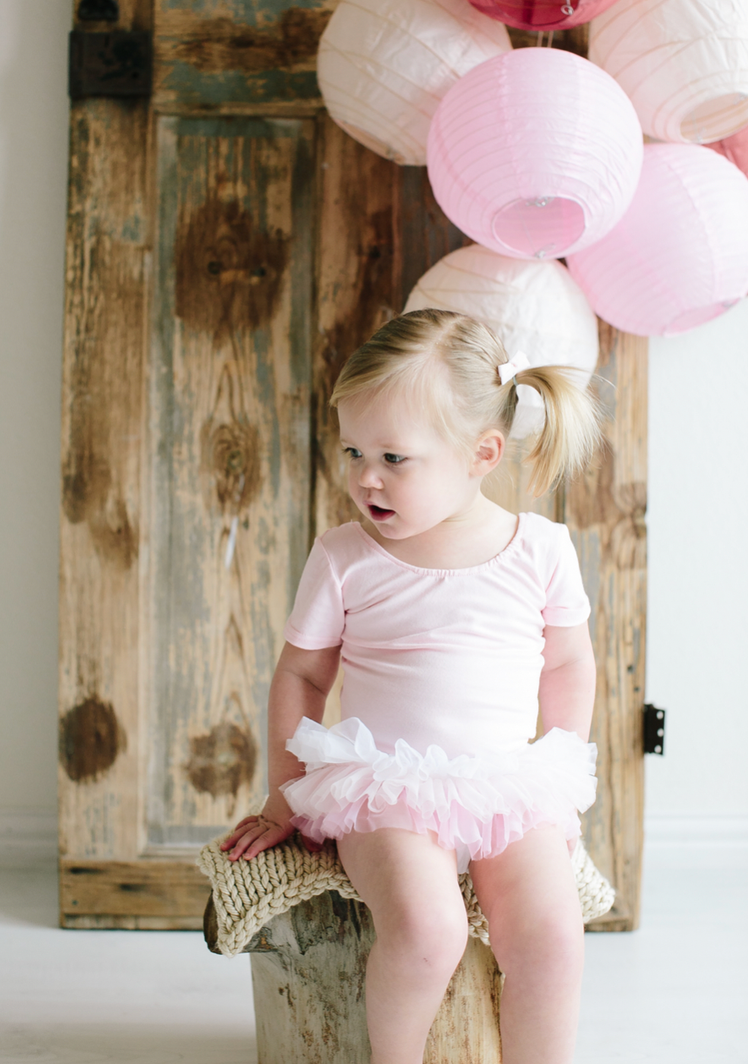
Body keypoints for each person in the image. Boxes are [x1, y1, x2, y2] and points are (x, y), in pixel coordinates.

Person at [221, 308, 602, 1064]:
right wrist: (283, 791)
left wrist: (557, 777)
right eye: (354, 450)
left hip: (502, 781)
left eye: (395, 457)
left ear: (481, 453)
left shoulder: (541, 551)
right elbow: (301, 672)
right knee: (429, 930)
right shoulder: (344, 557)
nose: (366, 476)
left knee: (552, 934)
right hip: (382, 786)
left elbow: (567, 664)